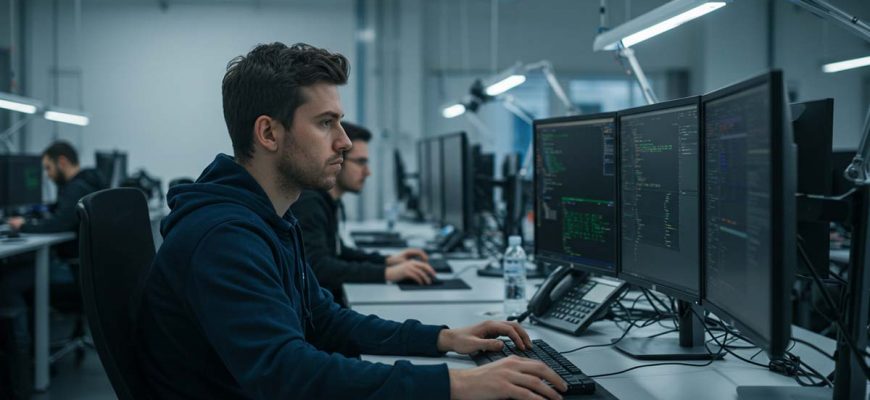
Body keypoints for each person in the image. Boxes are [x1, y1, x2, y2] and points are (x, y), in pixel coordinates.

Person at [136, 42, 567, 400]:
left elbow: (325, 319)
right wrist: (455, 382)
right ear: (268, 134)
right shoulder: (223, 238)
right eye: (326, 124)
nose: (343, 142)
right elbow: (288, 374)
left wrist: (444, 339)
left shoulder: (266, 220)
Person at [291, 122, 436, 301]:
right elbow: (318, 267)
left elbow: (336, 251)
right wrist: (388, 273)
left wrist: (387, 261)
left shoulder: (324, 201)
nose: (368, 172)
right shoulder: (310, 203)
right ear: (336, 160)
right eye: (360, 162)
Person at [0, 141, 106, 377]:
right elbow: (64, 216)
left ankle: (25, 363)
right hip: (86, 270)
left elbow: (59, 223)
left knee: (8, 284)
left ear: (62, 162)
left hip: (73, 271)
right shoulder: (91, 183)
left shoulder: (76, 188)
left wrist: (24, 225)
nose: (47, 176)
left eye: (48, 168)